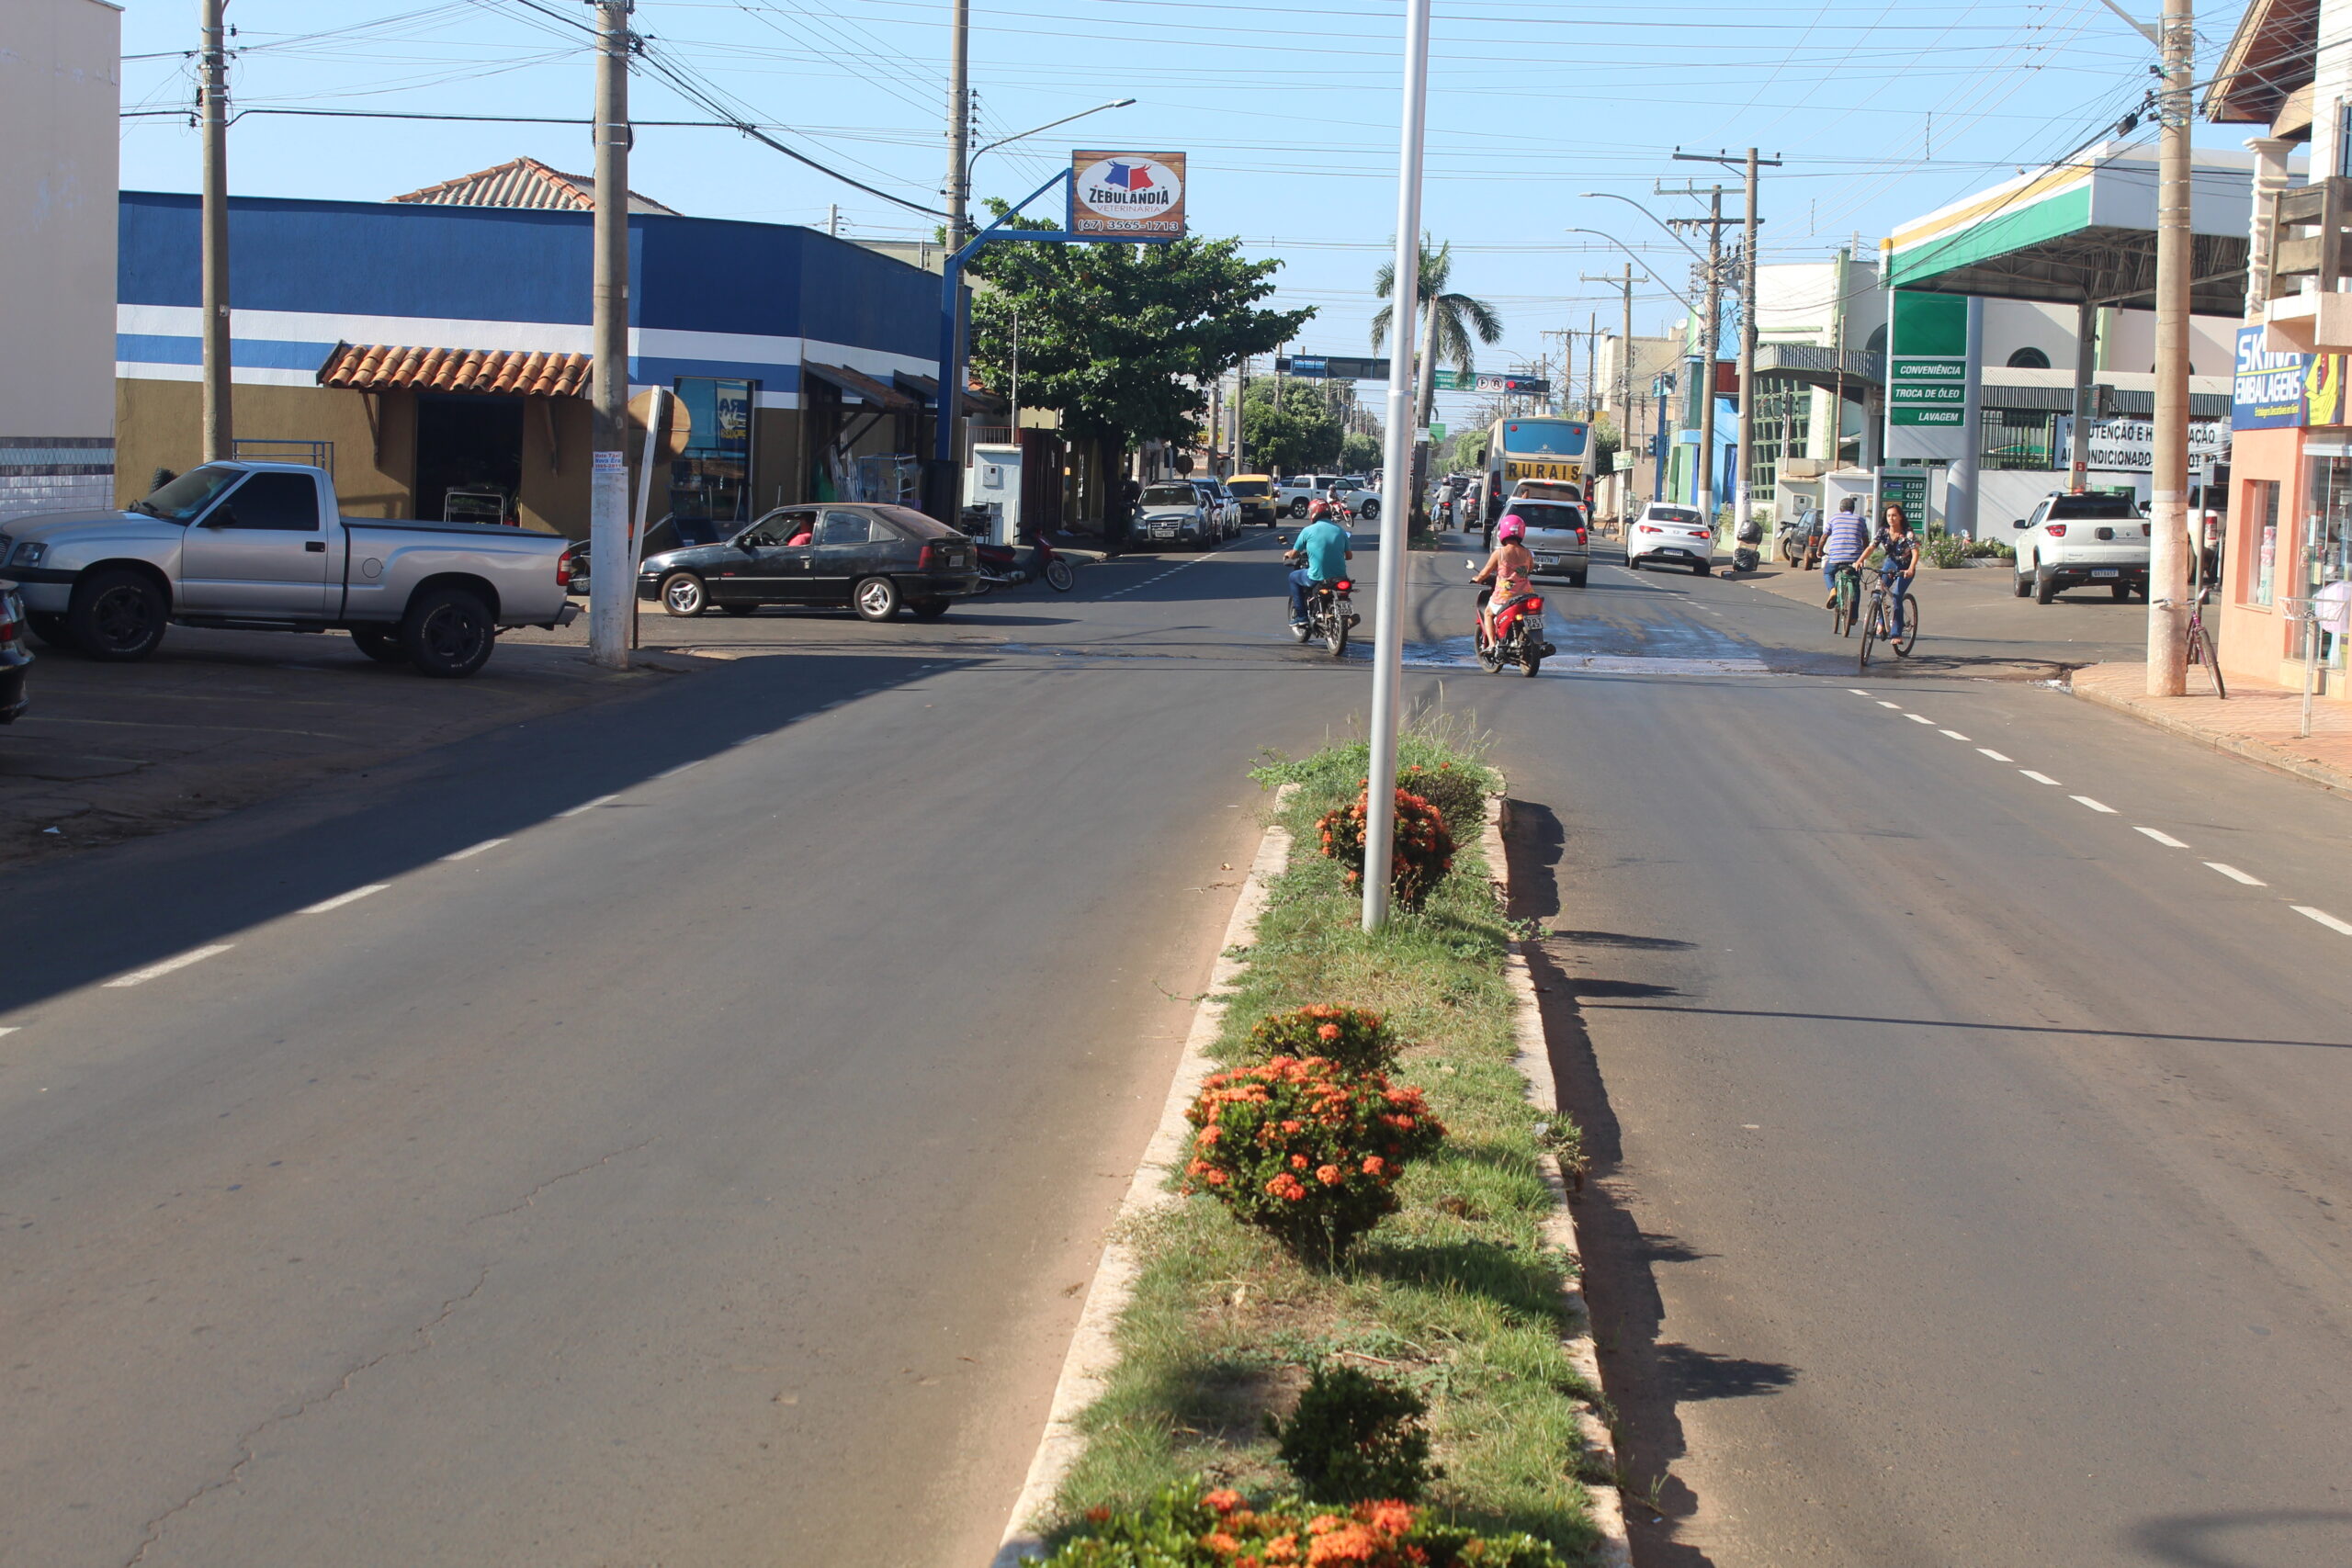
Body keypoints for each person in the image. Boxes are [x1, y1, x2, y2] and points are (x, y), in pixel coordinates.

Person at [1287, 508, 1354, 628]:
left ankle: (1302, 617)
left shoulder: (1308, 531)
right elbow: (1349, 556)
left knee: (1293, 577)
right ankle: (1345, 616)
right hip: (1340, 577)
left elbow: (1293, 554)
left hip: (1317, 576)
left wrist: (1288, 554)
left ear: (1313, 513)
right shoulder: (1340, 530)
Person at [1475, 513, 1536, 645]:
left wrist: (1478, 578)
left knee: (1488, 613)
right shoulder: (1527, 553)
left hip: (1505, 595)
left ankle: (1492, 644)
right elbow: (1530, 568)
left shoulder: (1499, 553)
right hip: (1526, 595)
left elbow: (1485, 572)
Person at [1871, 502, 1919, 637]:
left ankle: (1896, 634)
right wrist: (1859, 561)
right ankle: (1880, 621)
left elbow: (1915, 552)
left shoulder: (1907, 533)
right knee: (1878, 593)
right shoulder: (1883, 531)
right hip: (1891, 563)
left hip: (1906, 566)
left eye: (1894, 515)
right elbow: (1871, 547)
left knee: (1897, 595)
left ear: (1900, 517)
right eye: (1888, 516)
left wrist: (1911, 569)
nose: (1891, 518)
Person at [1821, 495, 1871, 607]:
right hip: (1855, 559)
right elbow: (1866, 540)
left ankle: (1832, 590)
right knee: (1856, 584)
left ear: (1840, 509)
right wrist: (1864, 556)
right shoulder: (1860, 520)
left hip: (1836, 558)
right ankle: (1854, 614)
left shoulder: (1834, 519)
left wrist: (1820, 551)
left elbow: (1824, 536)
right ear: (1853, 509)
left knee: (1828, 573)